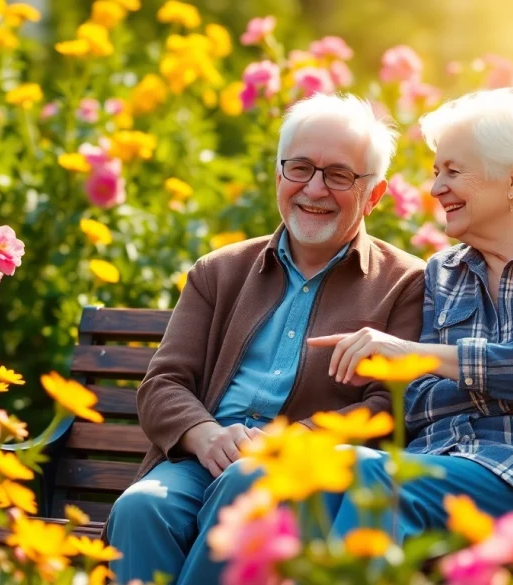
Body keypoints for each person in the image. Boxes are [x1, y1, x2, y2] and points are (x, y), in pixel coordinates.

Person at [181, 87, 513, 583]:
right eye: (437, 171)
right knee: (259, 474)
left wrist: (432, 358)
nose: (436, 187)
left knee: (374, 478)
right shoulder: (444, 272)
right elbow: (418, 401)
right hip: (439, 467)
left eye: (452, 171)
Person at [105, 92, 428, 584]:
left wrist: (287, 444)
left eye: (339, 175)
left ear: (375, 195)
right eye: (299, 168)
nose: (314, 189)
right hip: (205, 457)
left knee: (250, 481)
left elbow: (390, 404)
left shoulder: (405, 283)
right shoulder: (219, 272)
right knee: (140, 508)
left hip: (306, 477)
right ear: (278, 175)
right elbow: (164, 383)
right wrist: (207, 434)